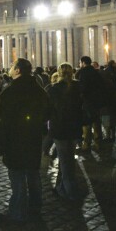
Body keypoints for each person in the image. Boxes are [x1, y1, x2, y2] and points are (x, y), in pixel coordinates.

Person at [0, 58, 49, 222]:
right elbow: (49, 112)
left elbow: (2, 118)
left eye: (12, 67)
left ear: (18, 70)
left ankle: (17, 213)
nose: (10, 69)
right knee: (33, 174)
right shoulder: (39, 90)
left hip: (15, 139)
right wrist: (37, 123)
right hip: (33, 137)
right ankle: (35, 207)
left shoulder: (9, 92)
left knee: (17, 176)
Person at [47, 63, 82, 201]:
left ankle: (70, 191)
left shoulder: (54, 89)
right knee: (69, 159)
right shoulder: (77, 87)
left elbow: (49, 110)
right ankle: (62, 187)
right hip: (74, 128)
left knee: (64, 161)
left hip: (60, 129)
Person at [76, 56, 105, 151]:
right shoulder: (96, 72)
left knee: (87, 123)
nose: (79, 64)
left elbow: (82, 88)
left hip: (87, 101)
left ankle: (86, 143)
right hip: (96, 101)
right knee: (96, 122)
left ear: (83, 63)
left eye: (80, 62)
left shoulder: (83, 73)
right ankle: (98, 143)